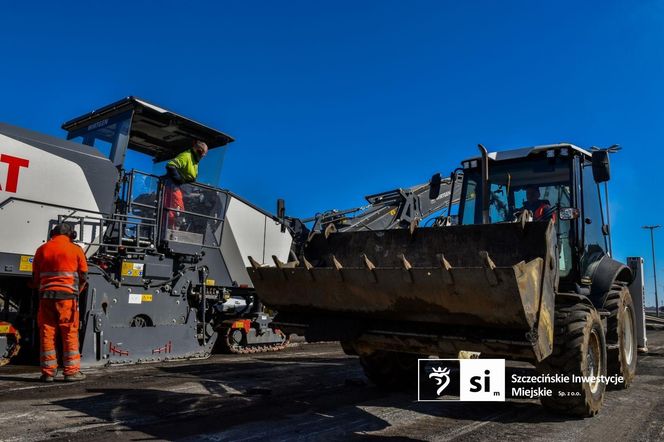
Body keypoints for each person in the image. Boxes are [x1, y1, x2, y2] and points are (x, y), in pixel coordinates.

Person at [32, 223, 88, 382]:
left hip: (46, 297)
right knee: (69, 332)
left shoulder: (41, 249)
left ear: (52, 233)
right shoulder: (76, 250)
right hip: (67, 298)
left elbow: (35, 277)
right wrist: (78, 290)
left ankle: (48, 372)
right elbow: (83, 275)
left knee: (47, 332)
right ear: (72, 235)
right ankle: (71, 372)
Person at [164, 140, 208, 229]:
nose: (201, 157)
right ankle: (170, 230)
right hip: (174, 188)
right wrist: (178, 180)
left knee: (180, 211)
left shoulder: (194, 161)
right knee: (177, 211)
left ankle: (173, 228)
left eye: (203, 155)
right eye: (201, 153)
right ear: (197, 150)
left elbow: (190, 178)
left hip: (183, 190)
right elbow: (171, 165)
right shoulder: (186, 156)